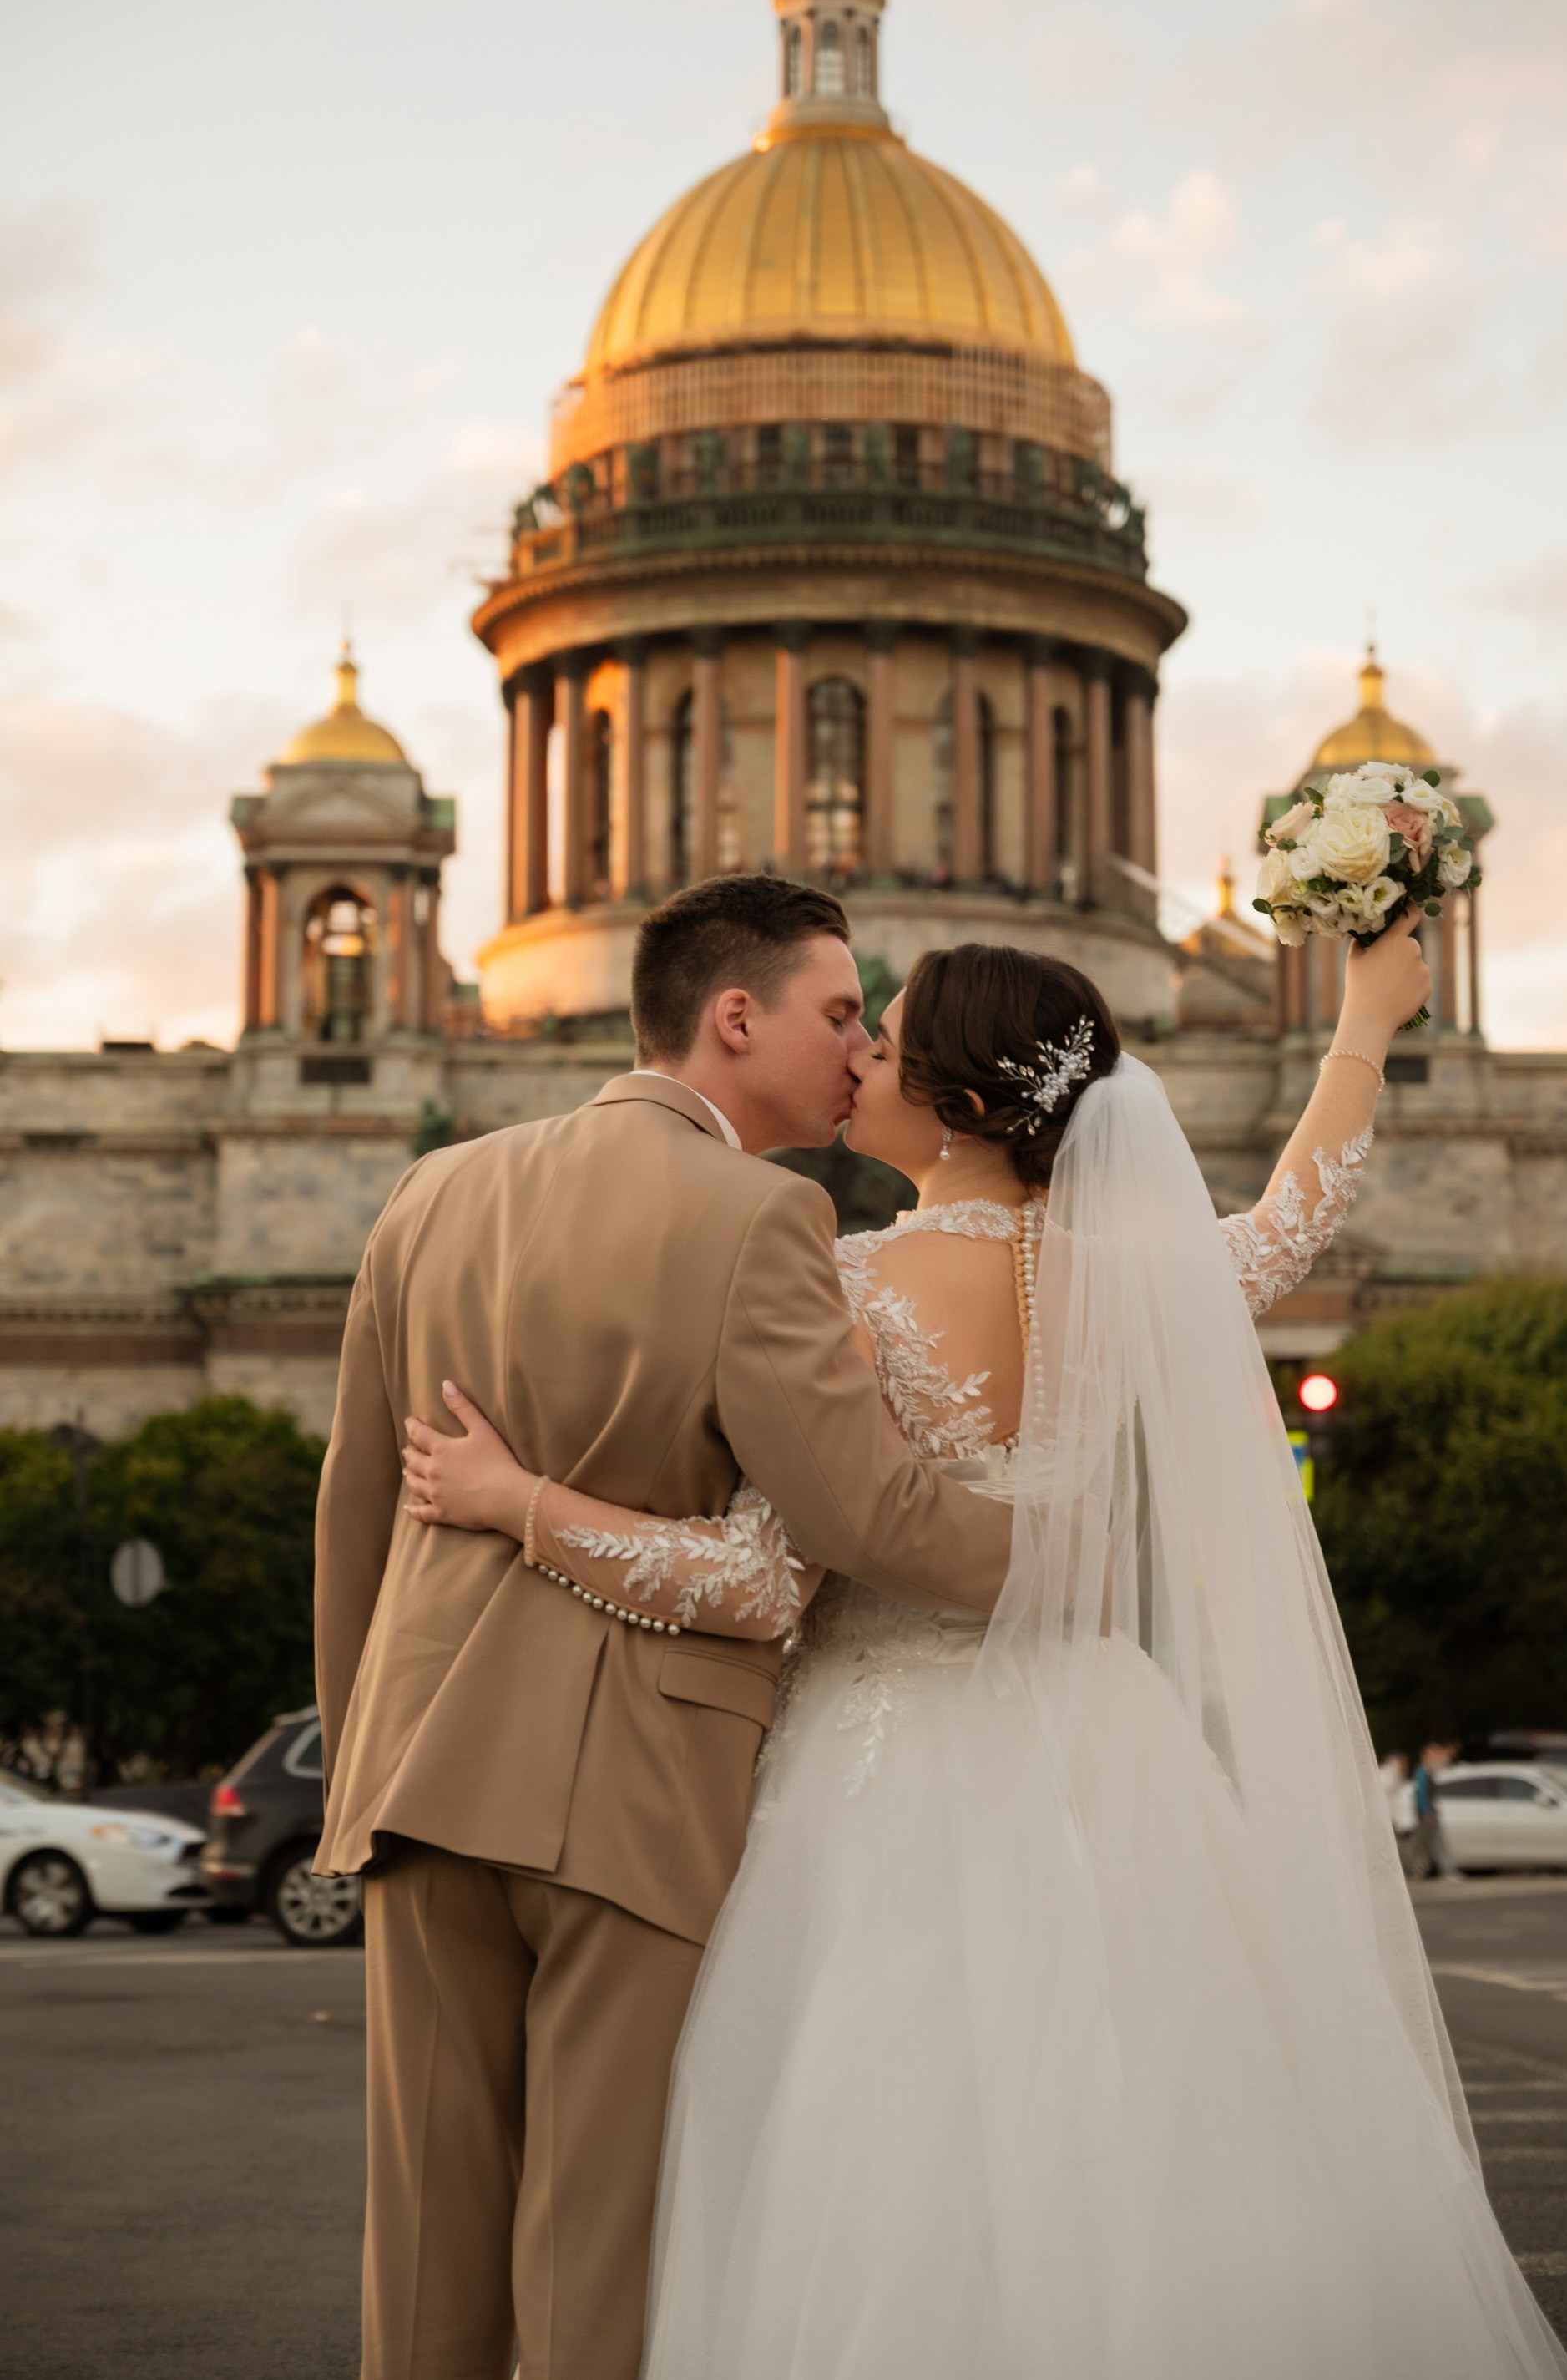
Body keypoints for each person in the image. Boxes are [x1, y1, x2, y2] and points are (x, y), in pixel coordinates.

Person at [407, 910, 1567, 2378]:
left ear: (958, 1103)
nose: (855, 1059)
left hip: (881, 1782)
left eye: (881, 1042)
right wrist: (1364, 1024)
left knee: (874, 2171)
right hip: (1112, 1747)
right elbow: (1296, 1211)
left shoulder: (850, 1281)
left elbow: (762, 1580)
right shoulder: (1140, 1280)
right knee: (1166, 2145)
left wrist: (524, 1502)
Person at [313, 875, 1013, 2380]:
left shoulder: (432, 1188)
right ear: (734, 1016)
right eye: (840, 1015)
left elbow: (356, 1515)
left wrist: (360, 1758)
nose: (857, 1053)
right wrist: (1080, 1557)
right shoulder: (767, 1212)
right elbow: (869, 1519)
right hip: (629, 1792)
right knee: (594, 2255)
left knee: (424, 2249)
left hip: (419, 1775)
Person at [1411, 1739, 1461, 1880]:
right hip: (1427, 1814)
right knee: (1431, 1843)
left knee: (1428, 1843)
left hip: (1428, 1812)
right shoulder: (1422, 1773)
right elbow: (1422, 1794)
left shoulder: (1427, 1771)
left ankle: (1423, 1870)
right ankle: (1443, 1870)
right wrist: (1426, 1811)